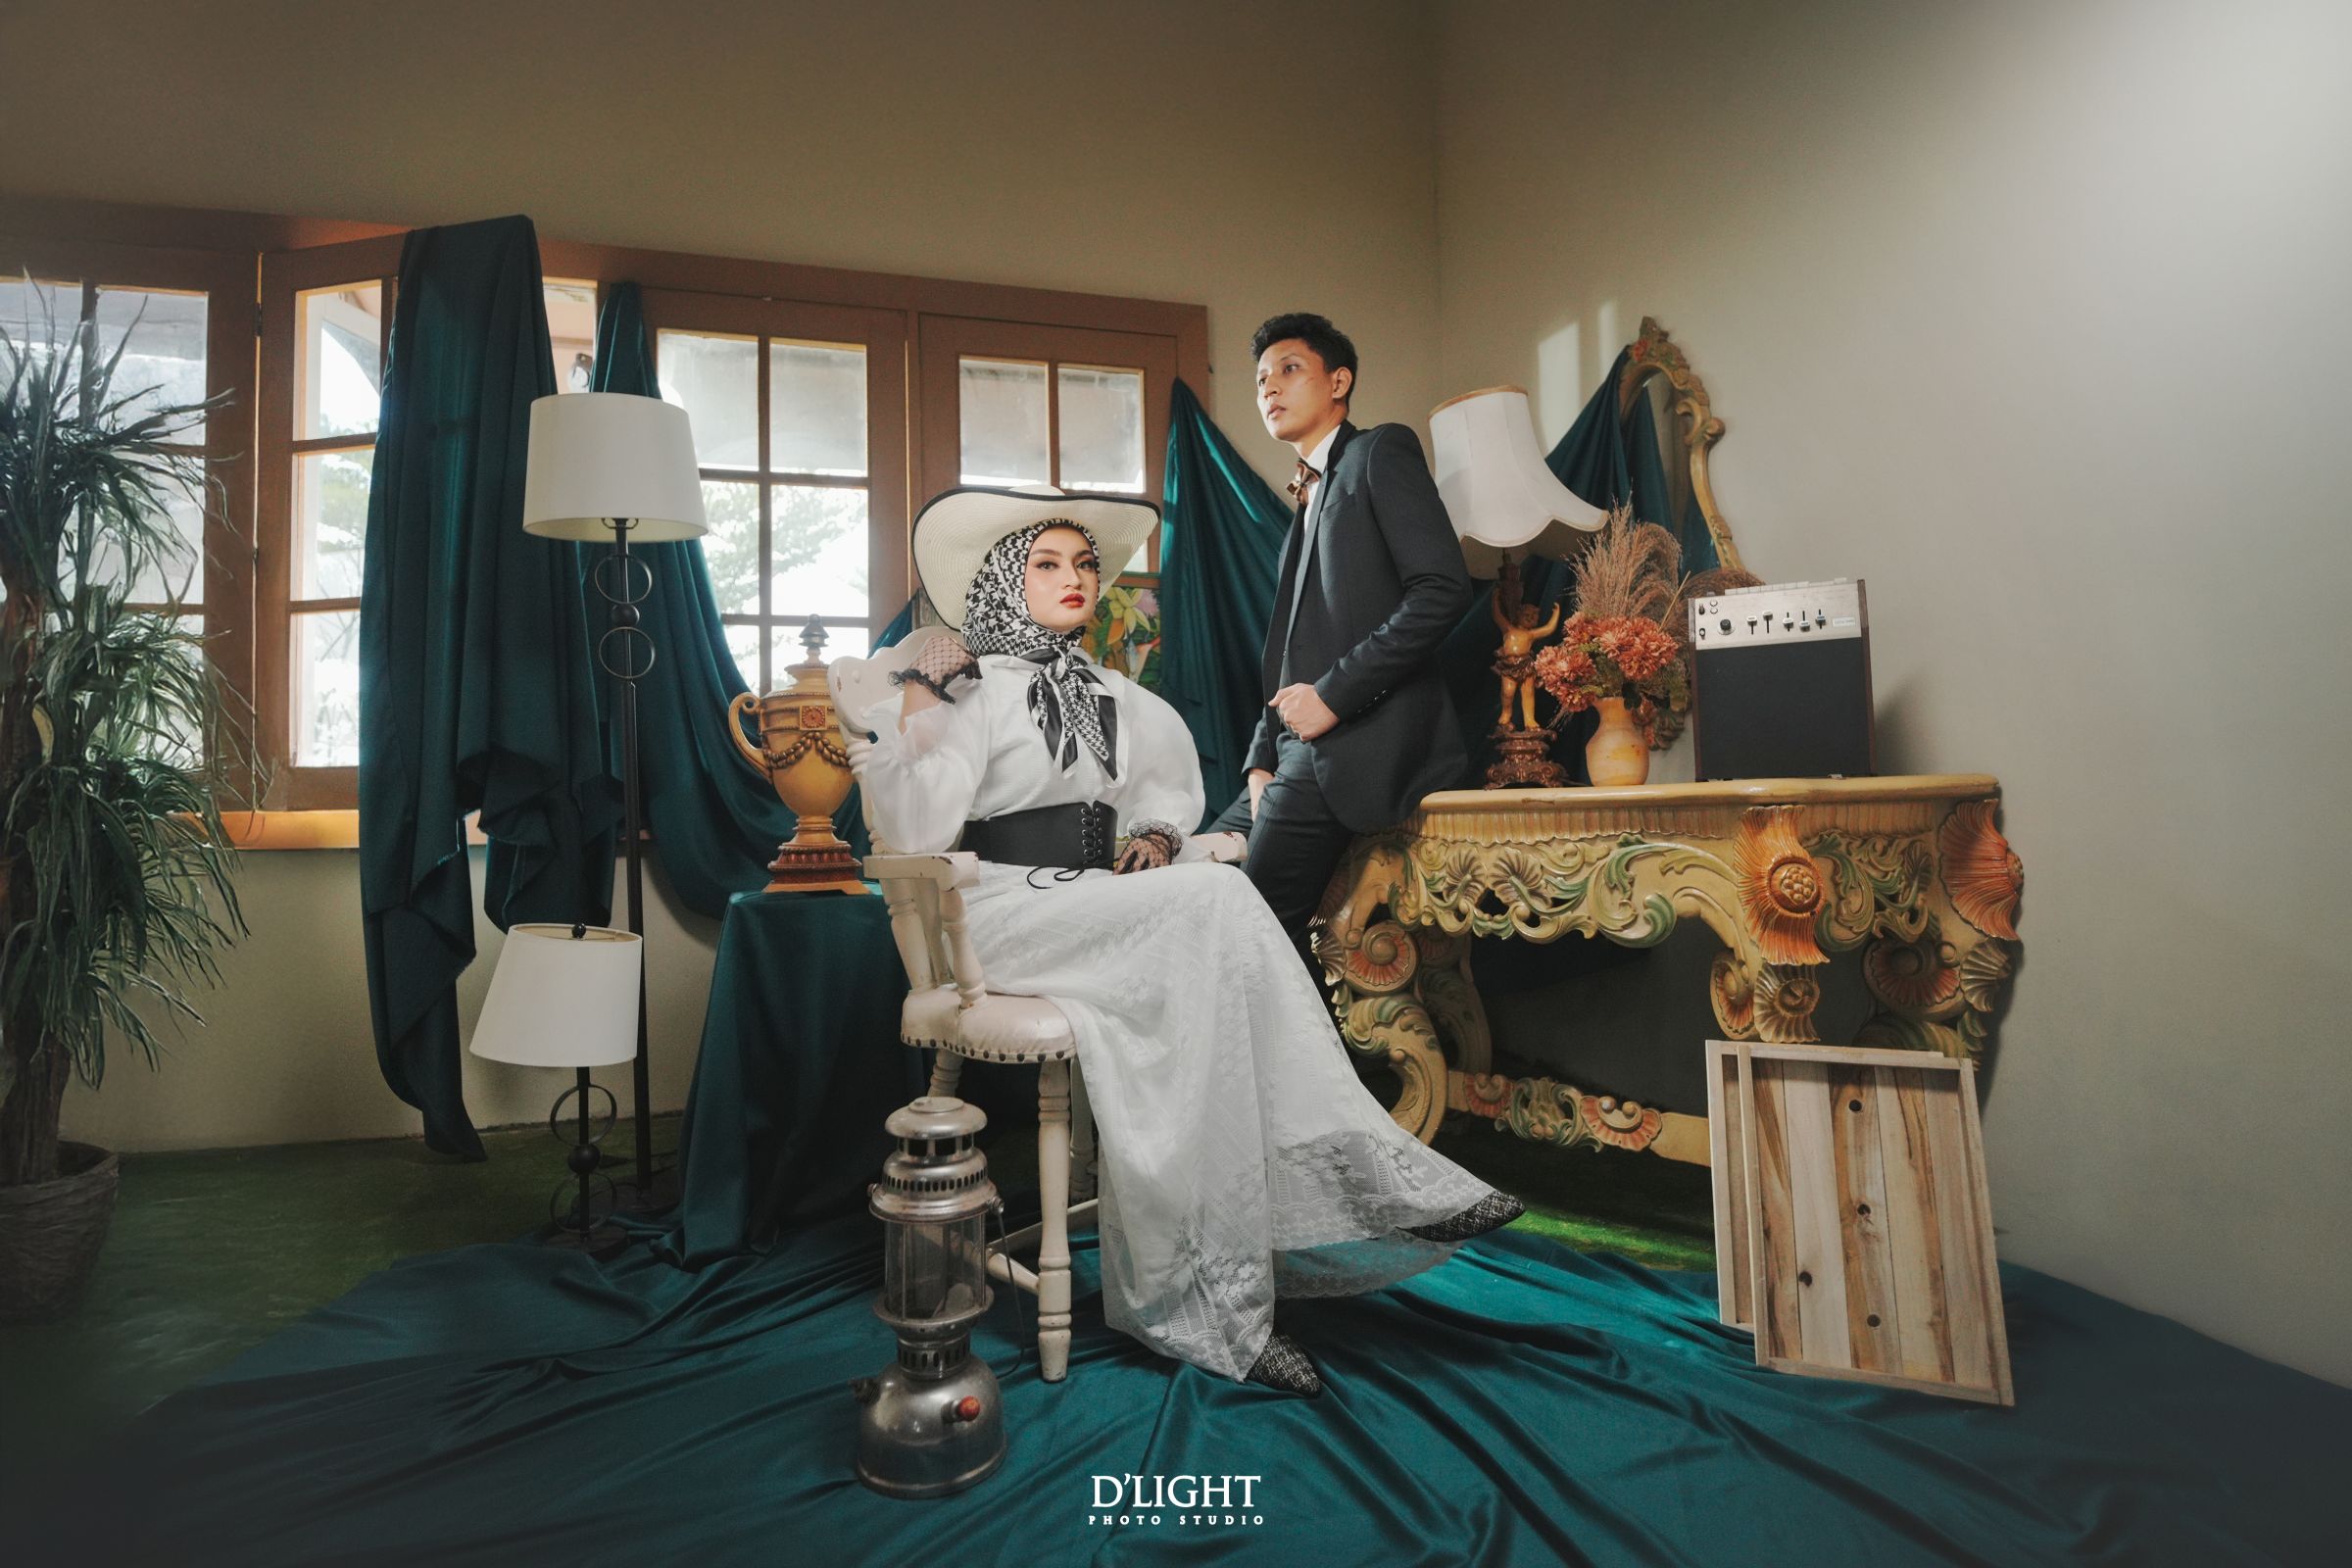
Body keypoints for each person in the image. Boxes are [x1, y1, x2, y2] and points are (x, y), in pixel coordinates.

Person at [849, 483, 1523, 1397]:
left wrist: (1160, 837)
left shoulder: (1116, 695)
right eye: (1047, 563)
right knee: (1215, 896)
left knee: (1204, 951)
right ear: (1006, 580)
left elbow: (1164, 797)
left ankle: (1214, 1288)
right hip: (998, 912)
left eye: (1085, 563)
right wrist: (923, 689)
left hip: (1098, 908)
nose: (1076, 577)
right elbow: (918, 830)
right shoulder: (967, 687)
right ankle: (1356, 1166)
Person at [1209, 313, 1475, 950]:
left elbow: (1441, 590)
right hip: (1290, 751)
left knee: (1250, 929)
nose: (1270, 387)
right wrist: (1261, 758)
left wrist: (1331, 696)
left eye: (1289, 369)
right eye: (1261, 379)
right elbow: (1287, 650)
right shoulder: (1305, 501)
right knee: (1196, 881)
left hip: (1358, 744)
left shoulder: (1379, 452)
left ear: (1338, 381)